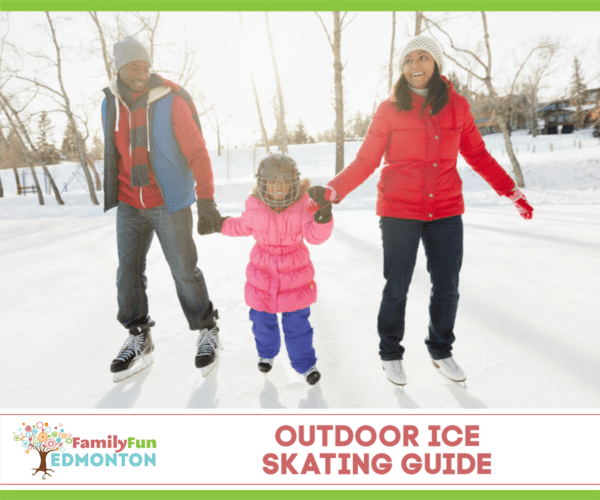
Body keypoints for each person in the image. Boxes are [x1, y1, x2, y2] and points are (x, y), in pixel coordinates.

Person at [309, 35, 533, 386]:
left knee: (447, 286)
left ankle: (441, 349)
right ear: (402, 67)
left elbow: (478, 156)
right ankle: (390, 353)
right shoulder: (389, 109)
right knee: (396, 284)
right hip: (399, 209)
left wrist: (511, 191)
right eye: (409, 59)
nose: (415, 65)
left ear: (437, 63)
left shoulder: (458, 107)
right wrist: (333, 189)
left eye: (423, 57)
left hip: (445, 208)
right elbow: (366, 160)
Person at [101, 36, 225, 382]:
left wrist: (207, 200)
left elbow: (198, 154)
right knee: (128, 272)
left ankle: (207, 329)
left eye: (145, 66)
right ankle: (138, 335)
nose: (141, 73)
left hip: (168, 201)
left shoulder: (171, 100)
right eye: (133, 67)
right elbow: (115, 151)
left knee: (184, 270)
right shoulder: (109, 103)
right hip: (129, 200)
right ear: (119, 68)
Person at [216, 153, 333, 385]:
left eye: (284, 185)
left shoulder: (303, 207)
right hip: (262, 276)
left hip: (295, 277)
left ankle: (306, 364)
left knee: (298, 326)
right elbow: (240, 226)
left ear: (295, 184)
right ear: (262, 186)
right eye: (272, 185)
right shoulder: (255, 207)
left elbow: (314, 236)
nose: (278, 191)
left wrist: (322, 217)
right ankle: (266, 353)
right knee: (261, 321)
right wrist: (217, 224)